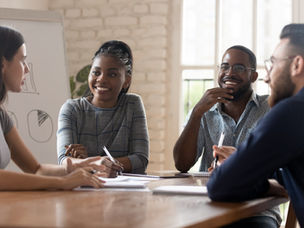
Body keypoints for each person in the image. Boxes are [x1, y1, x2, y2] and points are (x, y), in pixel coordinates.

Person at [207, 23, 304, 227]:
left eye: (273, 64)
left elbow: (220, 186)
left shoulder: (292, 111)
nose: (267, 77)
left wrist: (241, 171)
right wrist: (242, 161)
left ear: (297, 65)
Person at [173, 45, 281, 227]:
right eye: (224, 66)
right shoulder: (204, 111)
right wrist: (197, 113)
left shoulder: (270, 108)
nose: (229, 73)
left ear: (253, 76)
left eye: (239, 68)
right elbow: (182, 164)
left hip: (258, 208)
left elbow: (281, 170)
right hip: (211, 205)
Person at [0, 25, 115, 190]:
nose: (27, 69)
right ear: (3, 64)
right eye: (22, 60)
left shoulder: (2, 117)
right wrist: (62, 182)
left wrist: (71, 169)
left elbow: (36, 169)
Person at [57, 40, 149, 174]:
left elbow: (140, 159)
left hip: (124, 190)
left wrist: (88, 162)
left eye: (112, 74)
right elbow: (64, 161)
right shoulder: (72, 109)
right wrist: (99, 164)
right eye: (96, 72)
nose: (102, 79)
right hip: (83, 187)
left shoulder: (132, 104)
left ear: (126, 81)